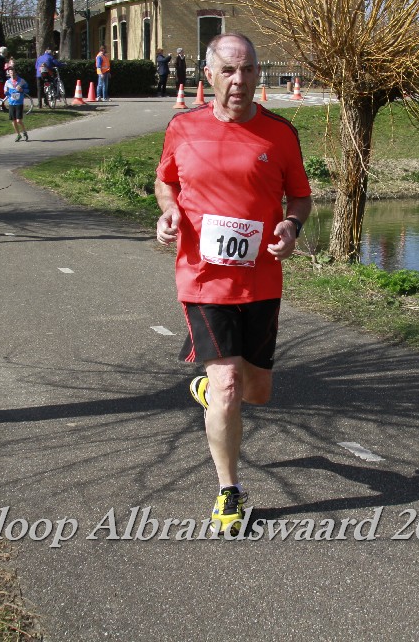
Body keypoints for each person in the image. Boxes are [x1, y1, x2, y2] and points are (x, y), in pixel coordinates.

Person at [154, 33, 312, 535]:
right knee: (227, 385)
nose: (238, 80)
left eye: (247, 70)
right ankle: (230, 490)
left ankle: (207, 389)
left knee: (257, 392)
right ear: (209, 75)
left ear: (257, 74)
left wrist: (291, 226)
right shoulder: (183, 127)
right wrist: (168, 213)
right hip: (202, 278)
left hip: (261, 278)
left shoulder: (279, 133)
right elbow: (166, 181)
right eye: (227, 70)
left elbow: (301, 197)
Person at [4, 66, 30, 142]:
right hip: (11, 103)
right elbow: (5, 92)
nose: (12, 74)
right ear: (9, 74)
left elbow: (27, 89)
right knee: (13, 121)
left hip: (19, 103)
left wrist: (22, 90)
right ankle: (18, 135)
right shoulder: (7, 82)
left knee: (18, 120)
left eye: (13, 73)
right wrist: (6, 92)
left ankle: (24, 132)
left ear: (16, 73)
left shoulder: (21, 81)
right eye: (10, 73)